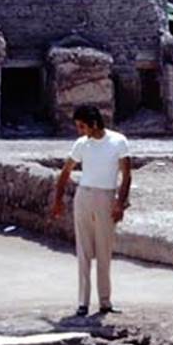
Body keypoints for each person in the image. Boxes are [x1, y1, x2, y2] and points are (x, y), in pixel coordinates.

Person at [50, 105, 132, 317]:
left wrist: (120, 204)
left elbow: (126, 176)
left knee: (104, 250)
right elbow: (66, 172)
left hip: (106, 197)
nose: (80, 130)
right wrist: (58, 200)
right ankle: (83, 303)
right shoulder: (81, 144)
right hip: (84, 196)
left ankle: (105, 302)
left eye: (82, 126)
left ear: (94, 123)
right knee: (83, 251)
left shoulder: (118, 141)